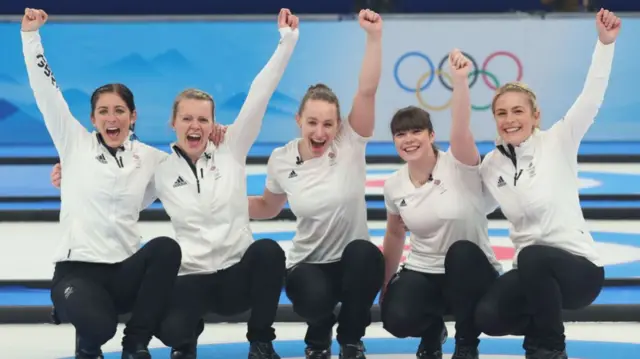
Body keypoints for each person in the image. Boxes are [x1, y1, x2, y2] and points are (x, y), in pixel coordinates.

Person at [51, 9, 299, 359]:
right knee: (171, 329)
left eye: (202, 118)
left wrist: (286, 43)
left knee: (270, 251)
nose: (194, 125)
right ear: (173, 123)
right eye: (187, 118)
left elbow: (261, 93)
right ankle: (184, 341)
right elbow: (118, 195)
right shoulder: (159, 168)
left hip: (236, 277)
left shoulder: (232, 148)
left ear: (215, 124)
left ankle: (261, 341)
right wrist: (71, 178)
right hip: (191, 279)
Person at [22, 8, 182, 359]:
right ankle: (87, 336)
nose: (113, 118)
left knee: (166, 248)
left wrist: (218, 137)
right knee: (98, 325)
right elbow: (46, 93)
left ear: (133, 116)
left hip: (124, 271)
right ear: (92, 118)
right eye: (104, 112)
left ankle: (136, 343)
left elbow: (191, 168)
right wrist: (31, 38)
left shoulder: (151, 158)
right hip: (77, 272)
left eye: (120, 110)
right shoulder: (74, 143)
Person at [474, 9, 620, 359]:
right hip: (532, 275)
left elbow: (591, 98)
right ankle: (543, 326)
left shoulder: (559, 140)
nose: (510, 120)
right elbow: (469, 203)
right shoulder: (491, 165)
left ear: (535, 116)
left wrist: (605, 45)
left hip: (579, 272)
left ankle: (550, 348)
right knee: (489, 317)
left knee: (533, 256)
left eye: (518, 111)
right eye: (502, 113)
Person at [246, 9, 384, 359]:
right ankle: (318, 335)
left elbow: (366, 91)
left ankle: (351, 340)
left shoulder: (350, 143)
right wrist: (221, 198)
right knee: (315, 300)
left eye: (328, 123)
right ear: (298, 120)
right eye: (312, 122)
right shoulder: (281, 158)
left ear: (339, 124)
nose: (320, 132)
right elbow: (267, 206)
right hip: (309, 264)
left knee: (367, 255)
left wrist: (374, 37)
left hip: (351, 262)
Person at [379, 50, 502, 359]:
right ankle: (432, 330)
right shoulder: (394, 184)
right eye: (400, 134)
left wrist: (460, 81)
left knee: (460, 253)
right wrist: (385, 283)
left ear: (432, 135)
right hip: (424, 271)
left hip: (472, 271)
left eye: (416, 131)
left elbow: (460, 127)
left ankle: (466, 343)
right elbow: (395, 234)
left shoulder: (459, 163)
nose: (409, 139)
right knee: (396, 317)